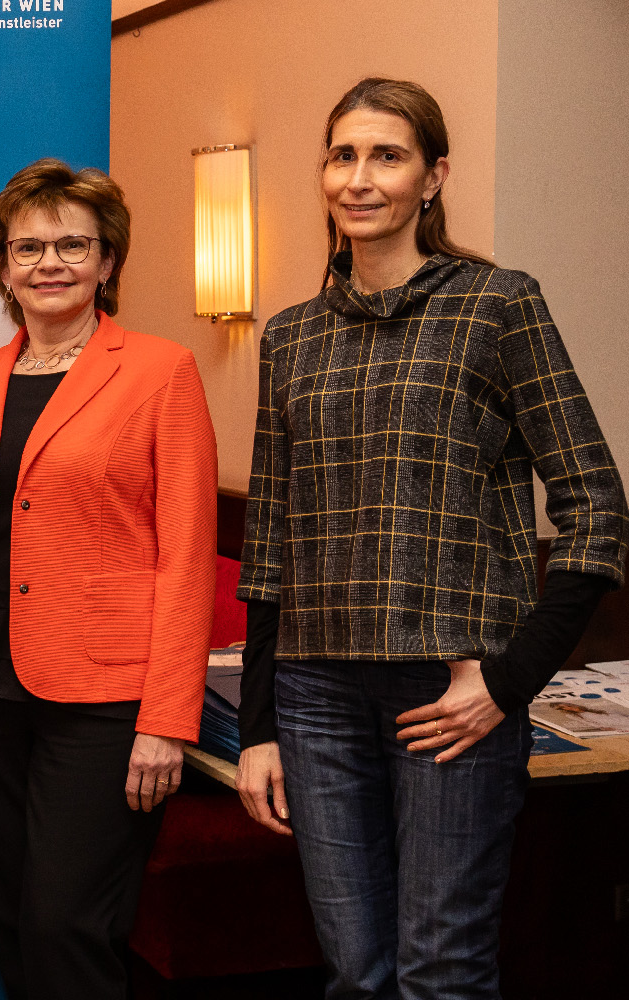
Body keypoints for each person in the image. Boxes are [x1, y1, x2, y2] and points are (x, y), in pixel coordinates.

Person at [235, 77, 628, 1000]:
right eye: (342, 156)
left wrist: (510, 678)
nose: (359, 178)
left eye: (387, 156)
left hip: (452, 692)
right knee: (354, 973)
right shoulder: (291, 337)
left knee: (440, 972)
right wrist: (257, 730)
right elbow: (269, 539)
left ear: (433, 177)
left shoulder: (497, 305)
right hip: (314, 692)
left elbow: (597, 505)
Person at [0, 159, 218, 1000]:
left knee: (65, 925)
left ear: (108, 261)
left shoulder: (161, 371)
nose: (51, 263)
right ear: (3, 266)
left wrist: (168, 720)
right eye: (28, 247)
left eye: (74, 245)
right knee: (10, 919)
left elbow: (188, 555)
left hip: (106, 701)